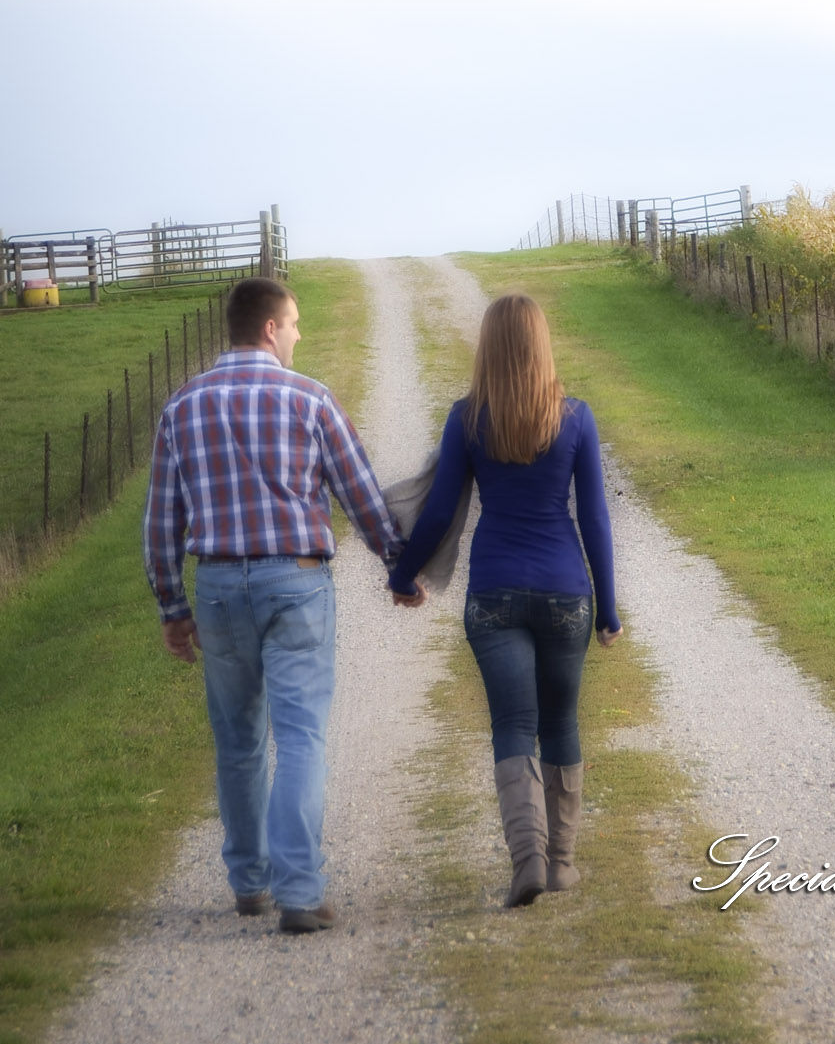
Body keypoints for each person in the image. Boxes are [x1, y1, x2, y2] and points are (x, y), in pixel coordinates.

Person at [143, 274, 421, 934]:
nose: (298, 334)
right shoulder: (310, 399)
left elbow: (160, 522)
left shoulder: (181, 406)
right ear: (270, 327)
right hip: (295, 581)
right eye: (294, 323)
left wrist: (172, 607)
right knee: (299, 736)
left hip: (215, 585)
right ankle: (299, 890)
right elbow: (360, 495)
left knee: (237, 739)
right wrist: (399, 566)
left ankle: (249, 880)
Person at [388, 293, 621, 906]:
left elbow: (440, 510)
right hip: (566, 594)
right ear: (542, 344)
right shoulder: (576, 418)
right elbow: (594, 518)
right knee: (561, 721)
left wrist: (403, 573)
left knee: (513, 724)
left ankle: (527, 862)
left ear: (487, 347)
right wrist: (610, 610)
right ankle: (562, 862)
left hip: (494, 592)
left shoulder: (468, 418)